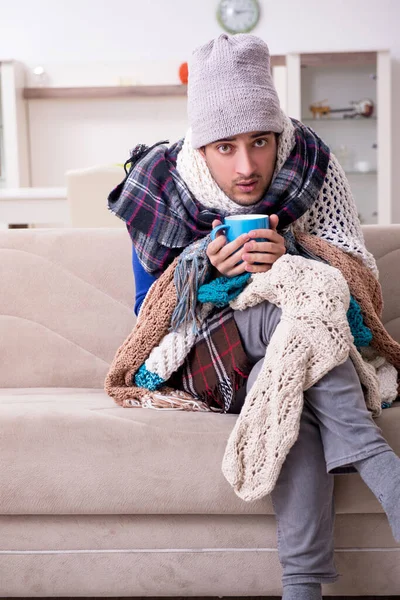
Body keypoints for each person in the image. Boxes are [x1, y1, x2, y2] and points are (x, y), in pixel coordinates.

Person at [109, 34, 400, 600]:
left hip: (294, 349)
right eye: (225, 147)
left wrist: (290, 254)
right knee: (292, 300)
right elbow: (149, 317)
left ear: (279, 136)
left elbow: (360, 283)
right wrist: (202, 270)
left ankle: (301, 589)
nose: (246, 167)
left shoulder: (312, 166)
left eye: (260, 142)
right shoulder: (159, 188)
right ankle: (375, 460)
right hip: (205, 355)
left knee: (290, 365)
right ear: (200, 149)